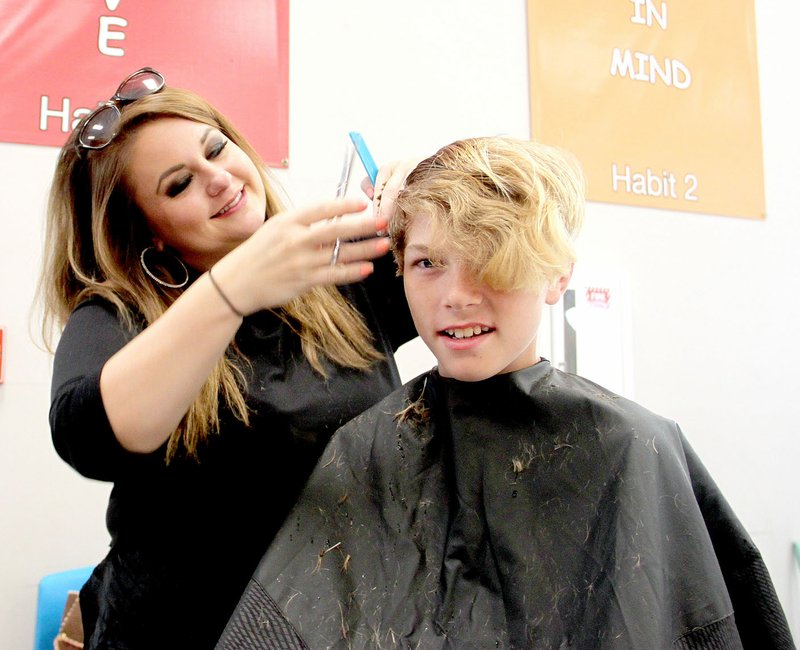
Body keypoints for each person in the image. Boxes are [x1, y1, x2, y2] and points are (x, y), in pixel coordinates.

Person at [217, 136, 795, 649]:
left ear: (557, 275)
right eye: (427, 263)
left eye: (492, 259)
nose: (457, 296)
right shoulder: (366, 448)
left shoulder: (634, 446)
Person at [38, 67, 418, 648]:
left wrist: (431, 203)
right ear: (149, 233)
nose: (219, 179)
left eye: (217, 148)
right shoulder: (117, 319)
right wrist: (230, 290)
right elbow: (88, 432)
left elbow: (486, 288)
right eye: (178, 185)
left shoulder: (341, 276)